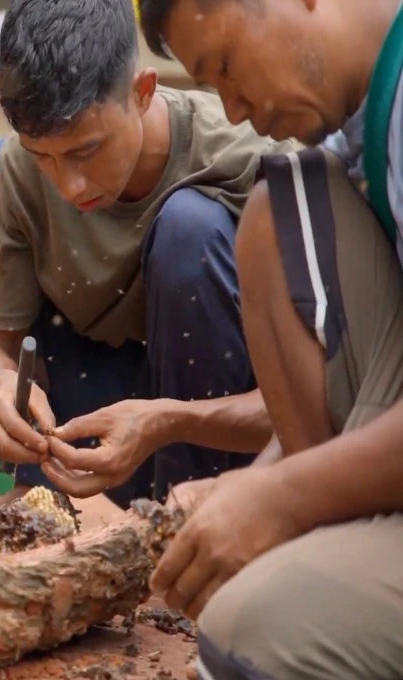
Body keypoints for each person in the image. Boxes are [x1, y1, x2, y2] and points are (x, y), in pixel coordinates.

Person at [137, 0, 403, 677]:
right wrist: (253, 492)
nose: (233, 111)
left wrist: (283, 498)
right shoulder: (361, 129)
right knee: (278, 212)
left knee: (248, 631)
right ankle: (338, 558)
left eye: (225, 66)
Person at [0, 0, 294, 510]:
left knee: (190, 229)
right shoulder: (23, 170)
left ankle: (182, 517)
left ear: (143, 92)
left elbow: (317, 408)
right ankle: (41, 487)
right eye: (43, 155)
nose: (68, 185)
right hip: (94, 424)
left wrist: (168, 421)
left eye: (86, 151)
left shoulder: (246, 162)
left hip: (220, 440)